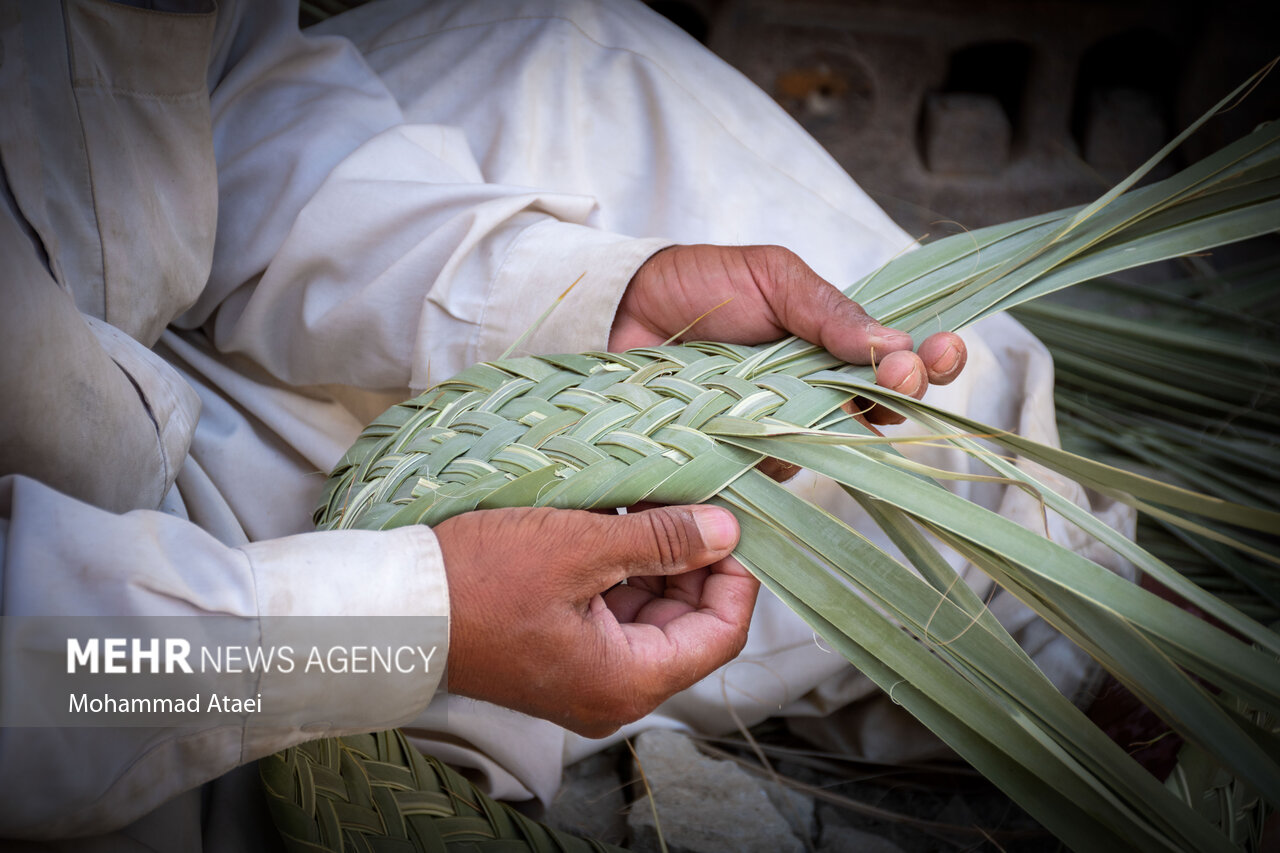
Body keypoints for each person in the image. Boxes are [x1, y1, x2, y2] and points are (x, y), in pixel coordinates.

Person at [0, 0, 1130, 848]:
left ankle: (1061, 630)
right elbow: (58, 674)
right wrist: (413, 621)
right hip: (152, 670)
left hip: (152, 338)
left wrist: (585, 295)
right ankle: (1054, 667)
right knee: (826, 499)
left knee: (562, 49)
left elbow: (216, 108)